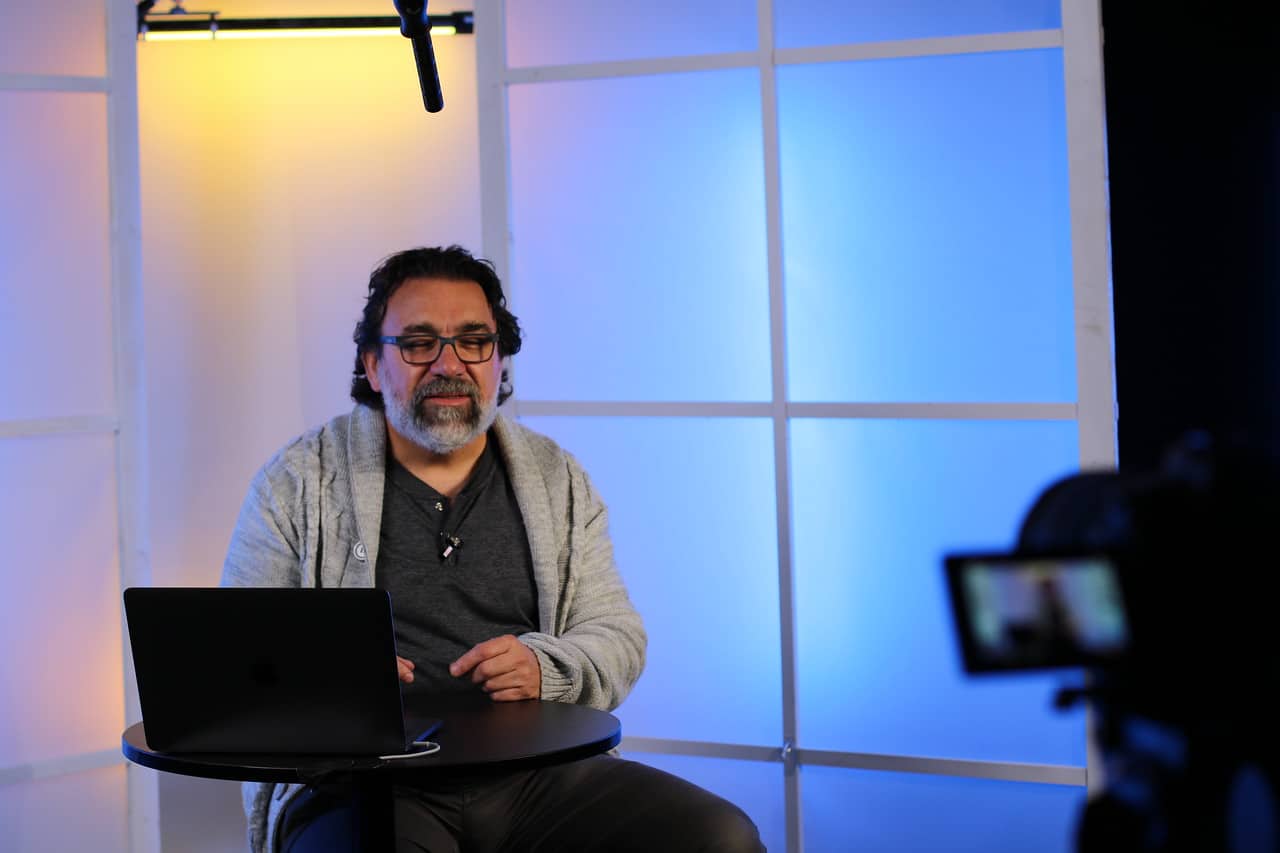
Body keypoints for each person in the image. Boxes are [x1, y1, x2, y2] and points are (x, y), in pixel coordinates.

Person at [220, 245, 764, 853]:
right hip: (361, 782)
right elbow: (239, 655)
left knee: (722, 837)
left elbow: (617, 635)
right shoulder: (298, 482)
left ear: (498, 360)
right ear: (373, 366)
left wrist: (545, 668)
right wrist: (334, 676)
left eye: (474, 341)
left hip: (542, 774)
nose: (449, 364)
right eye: (419, 343)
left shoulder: (557, 478)